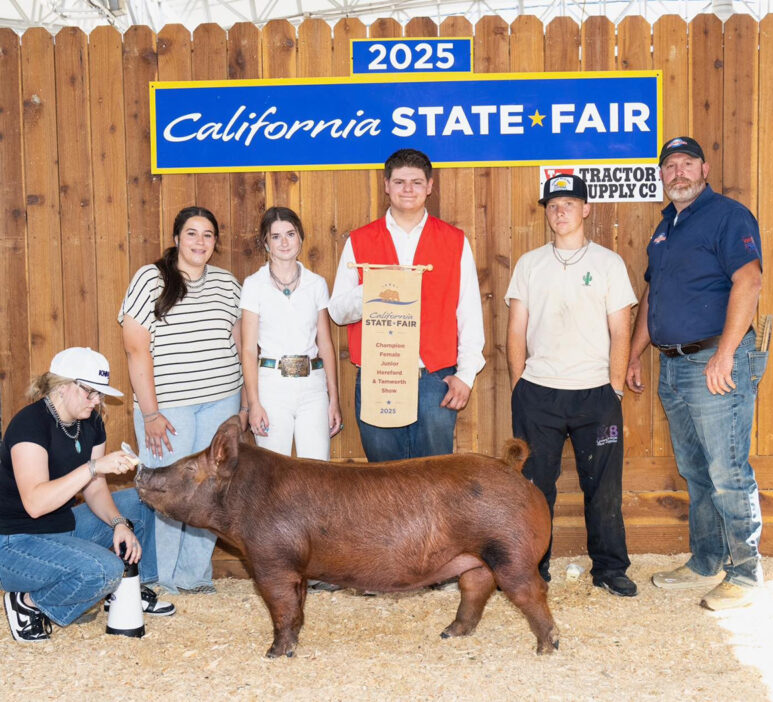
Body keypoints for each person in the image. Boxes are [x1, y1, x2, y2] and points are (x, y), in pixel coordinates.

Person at [626, 136, 766, 610]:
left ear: (704, 169)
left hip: (713, 362)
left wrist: (725, 354)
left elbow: (749, 280)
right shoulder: (665, 227)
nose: (678, 172)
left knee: (727, 469)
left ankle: (745, 573)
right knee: (696, 470)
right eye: (670, 166)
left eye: (687, 163)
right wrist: (633, 354)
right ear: (661, 176)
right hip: (672, 366)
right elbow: (652, 298)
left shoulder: (728, 216)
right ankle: (706, 560)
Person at [505, 173, 638, 597]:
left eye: (568, 203)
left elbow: (622, 330)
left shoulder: (608, 263)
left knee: (603, 487)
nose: (560, 211)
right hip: (538, 393)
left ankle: (611, 569)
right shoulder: (529, 264)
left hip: (596, 393)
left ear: (586, 209)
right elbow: (515, 331)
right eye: (552, 205)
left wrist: (614, 388)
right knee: (534, 487)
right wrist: (518, 385)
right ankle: (532, 567)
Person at [0, 347, 174, 643]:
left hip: (61, 527)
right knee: (105, 570)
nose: (96, 401)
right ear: (61, 386)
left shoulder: (91, 422)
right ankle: (27, 602)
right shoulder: (29, 424)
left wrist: (119, 522)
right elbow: (35, 504)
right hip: (15, 543)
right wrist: (93, 467)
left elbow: (95, 489)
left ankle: (129, 588)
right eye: (89, 392)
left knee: (141, 501)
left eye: (100, 394)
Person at [119, 206, 246, 595]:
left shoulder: (227, 283)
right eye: (192, 234)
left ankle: (194, 577)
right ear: (176, 238)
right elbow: (135, 350)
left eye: (208, 235)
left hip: (222, 399)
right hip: (168, 408)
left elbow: (241, 343)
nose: (200, 242)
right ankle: (162, 580)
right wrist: (151, 412)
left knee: (212, 488)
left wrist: (243, 406)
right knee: (167, 488)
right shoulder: (150, 278)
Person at [328, 148, 485, 461]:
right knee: (385, 483)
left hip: (434, 378)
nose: (408, 189)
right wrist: (374, 289)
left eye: (416, 182)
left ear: (429, 186)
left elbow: (468, 311)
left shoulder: (454, 240)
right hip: (379, 374)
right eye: (399, 182)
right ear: (386, 185)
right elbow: (337, 311)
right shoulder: (360, 240)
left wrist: (466, 374)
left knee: (434, 481)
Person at [240, 206, 342, 459]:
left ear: (300, 238)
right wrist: (254, 404)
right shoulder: (254, 285)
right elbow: (249, 349)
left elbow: (326, 345)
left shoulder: (316, 284)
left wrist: (334, 399)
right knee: (273, 475)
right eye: (275, 236)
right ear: (266, 243)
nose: (284, 242)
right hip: (272, 386)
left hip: (313, 387)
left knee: (318, 470)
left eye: (290, 234)